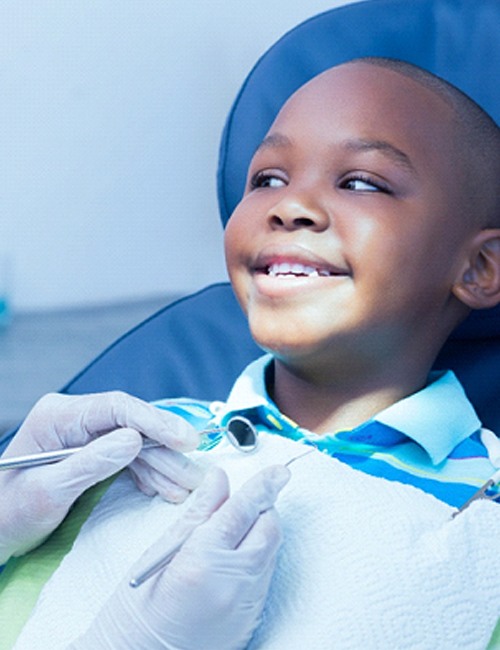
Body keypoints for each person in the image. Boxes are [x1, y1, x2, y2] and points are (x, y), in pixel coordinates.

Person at [3, 57, 500, 648]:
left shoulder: (481, 515)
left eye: (361, 182)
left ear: (479, 267)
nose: (288, 206)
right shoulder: (127, 449)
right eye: (267, 178)